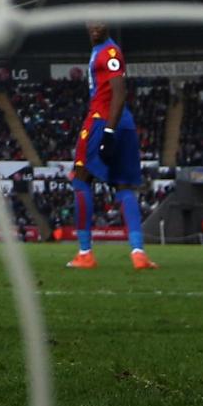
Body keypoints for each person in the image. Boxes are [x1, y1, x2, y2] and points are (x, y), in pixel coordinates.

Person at [67, 21, 152, 271]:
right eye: (91, 22)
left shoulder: (109, 52)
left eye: (100, 22)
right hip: (122, 123)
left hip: (102, 121)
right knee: (124, 187)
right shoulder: (102, 50)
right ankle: (138, 254)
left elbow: (119, 91)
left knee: (81, 180)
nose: (95, 26)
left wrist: (107, 131)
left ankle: (85, 253)